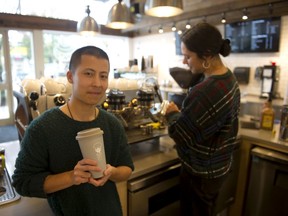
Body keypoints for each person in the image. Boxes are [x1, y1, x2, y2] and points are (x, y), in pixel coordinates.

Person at [12, 46, 134, 216]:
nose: (98, 83)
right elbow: (22, 181)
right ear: (70, 77)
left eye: (103, 76)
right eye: (89, 74)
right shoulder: (42, 128)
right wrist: (72, 177)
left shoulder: (112, 124)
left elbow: (126, 168)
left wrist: (112, 172)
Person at [165, 22, 240, 216]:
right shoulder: (229, 78)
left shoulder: (205, 91)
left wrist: (172, 113)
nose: (184, 61)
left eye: (188, 56)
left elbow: (180, 134)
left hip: (200, 174)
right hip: (218, 168)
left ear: (206, 56)